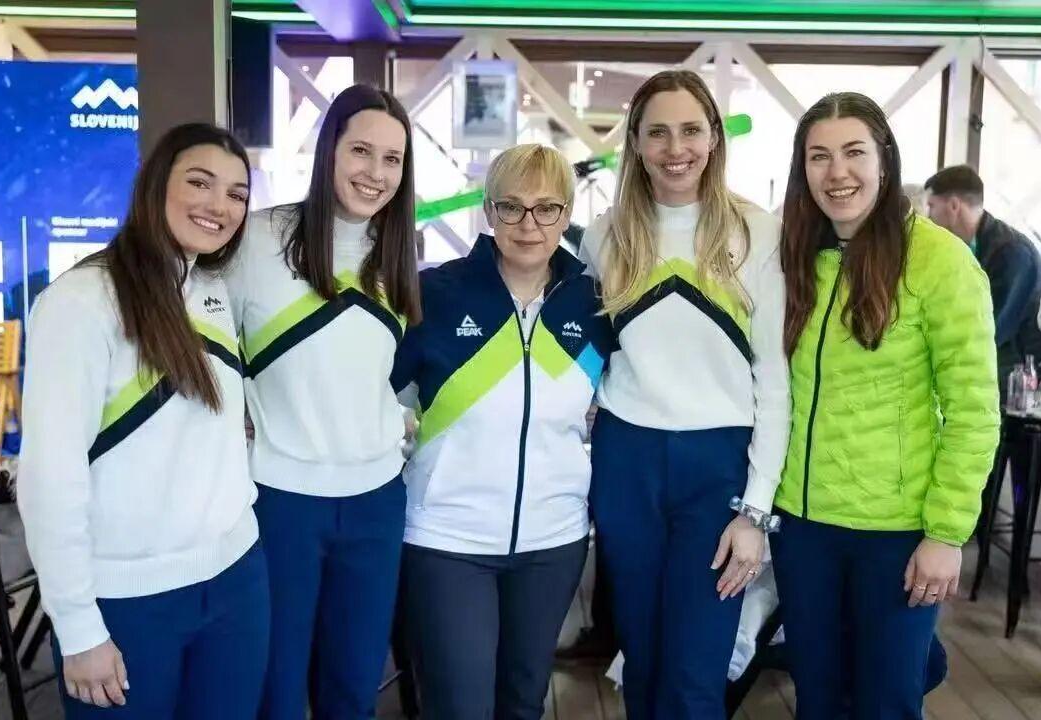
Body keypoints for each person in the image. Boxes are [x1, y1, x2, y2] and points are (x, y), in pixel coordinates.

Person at [19, 123, 267, 718]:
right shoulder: (82, 301)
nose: (220, 205)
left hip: (235, 584)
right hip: (127, 603)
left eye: (236, 193)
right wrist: (78, 627)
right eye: (200, 183)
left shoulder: (211, 289)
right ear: (156, 185)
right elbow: (51, 478)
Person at [775, 92, 999, 719]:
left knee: (887, 704)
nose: (837, 172)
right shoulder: (795, 256)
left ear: (885, 160)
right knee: (817, 700)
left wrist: (946, 534)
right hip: (804, 527)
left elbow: (974, 411)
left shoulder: (940, 261)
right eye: (819, 156)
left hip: (896, 533)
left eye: (854, 152)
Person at [579, 69, 790, 719]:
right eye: (659, 133)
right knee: (641, 664)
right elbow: (587, 351)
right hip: (627, 460)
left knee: (696, 674)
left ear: (715, 137)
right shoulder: (605, 236)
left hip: (719, 467)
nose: (677, 149)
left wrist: (756, 512)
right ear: (636, 143)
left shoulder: (758, 234)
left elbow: (775, 380)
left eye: (692, 130)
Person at [391, 143, 611, 719]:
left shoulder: (592, 307)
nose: (528, 224)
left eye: (547, 208)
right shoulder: (435, 295)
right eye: (511, 206)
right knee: (458, 706)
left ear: (567, 215)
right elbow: (376, 395)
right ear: (488, 211)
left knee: (523, 703)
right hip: (447, 540)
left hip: (553, 540)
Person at [224, 84, 421, 719]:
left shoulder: (398, 252)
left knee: (354, 689)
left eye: (392, 159)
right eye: (361, 150)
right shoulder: (257, 240)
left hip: (376, 501)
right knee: (275, 689)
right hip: (279, 502)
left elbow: (387, 371)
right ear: (329, 149)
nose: (375, 172)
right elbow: (201, 341)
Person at [924, 165, 1041, 385]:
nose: (928, 217)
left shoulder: (1012, 253)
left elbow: (989, 328)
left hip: (1014, 378)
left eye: (931, 206)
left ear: (954, 206)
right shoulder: (968, 249)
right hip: (988, 370)